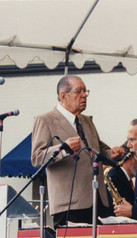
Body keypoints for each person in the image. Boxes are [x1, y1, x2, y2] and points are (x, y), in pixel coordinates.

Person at [31, 75, 123, 226]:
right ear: (63, 95)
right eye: (78, 91)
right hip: (69, 203)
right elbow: (36, 157)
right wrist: (63, 149)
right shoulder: (45, 120)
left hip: (98, 200)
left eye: (86, 91)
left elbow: (98, 149)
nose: (84, 95)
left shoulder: (86, 121)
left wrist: (112, 154)